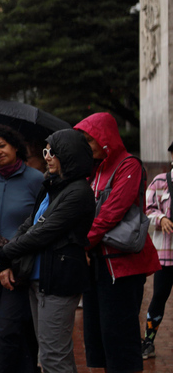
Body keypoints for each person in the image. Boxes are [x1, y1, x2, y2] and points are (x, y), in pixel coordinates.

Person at [0, 129, 95, 373]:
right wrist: (8, 249)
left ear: (68, 155)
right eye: (45, 151)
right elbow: (29, 223)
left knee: (53, 356)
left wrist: (5, 253)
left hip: (58, 279)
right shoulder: (52, 186)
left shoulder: (77, 192)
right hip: (39, 278)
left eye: (52, 152)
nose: (47, 157)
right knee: (49, 353)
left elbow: (43, 232)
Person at [74, 113, 160, 373]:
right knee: (99, 337)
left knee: (120, 338)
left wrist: (83, 242)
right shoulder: (93, 168)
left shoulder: (128, 165)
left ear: (106, 138)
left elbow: (112, 212)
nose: (88, 146)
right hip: (96, 266)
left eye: (91, 140)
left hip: (122, 267)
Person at [0, 124, 42, 373]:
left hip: (19, 267)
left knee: (5, 328)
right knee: (17, 328)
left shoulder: (35, 180)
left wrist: (11, 255)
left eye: (2, 146)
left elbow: (40, 222)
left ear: (15, 146)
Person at [142, 140, 173, 360]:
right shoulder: (160, 181)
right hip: (166, 251)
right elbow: (147, 209)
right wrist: (160, 218)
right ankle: (148, 341)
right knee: (159, 295)